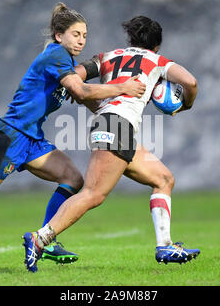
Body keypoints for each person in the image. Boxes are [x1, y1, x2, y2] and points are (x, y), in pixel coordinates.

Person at [0, 3, 146, 272]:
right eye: (76, 34)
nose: (81, 40)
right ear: (59, 35)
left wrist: (114, 115)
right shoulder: (56, 56)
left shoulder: (66, 62)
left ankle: (47, 239)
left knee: (73, 178)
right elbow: (81, 91)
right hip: (9, 136)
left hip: (32, 140)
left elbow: (84, 96)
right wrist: (122, 88)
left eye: (85, 35)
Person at [23, 15, 200, 272]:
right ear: (157, 45)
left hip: (112, 125)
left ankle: (165, 246)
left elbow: (75, 76)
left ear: (131, 38)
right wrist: (187, 104)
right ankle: (40, 238)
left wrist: (81, 96)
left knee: (163, 179)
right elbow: (190, 82)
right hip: (117, 126)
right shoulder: (158, 61)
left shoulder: (108, 56)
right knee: (93, 194)